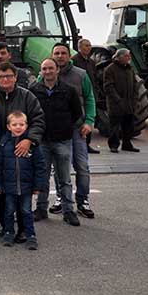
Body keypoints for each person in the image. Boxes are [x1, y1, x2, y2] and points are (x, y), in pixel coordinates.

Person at [0, 61, 46, 241]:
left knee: (22, 193)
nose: (6, 79)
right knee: (3, 192)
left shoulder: (27, 96)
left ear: (15, 77)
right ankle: (6, 227)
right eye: (1, 76)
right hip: (0, 150)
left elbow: (38, 119)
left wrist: (29, 139)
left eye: (9, 76)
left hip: (23, 148)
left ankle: (22, 229)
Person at [29, 58, 83, 227]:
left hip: (63, 140)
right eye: (44, 69)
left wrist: (65, 128)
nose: (48, 72)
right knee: (42, 177)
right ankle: (41, 209)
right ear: (41, 71)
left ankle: (68, 210)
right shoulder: (34, 90)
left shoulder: (69, 90)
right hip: (42, 141)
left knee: (64, 178)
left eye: (51, 68)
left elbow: (76, 113)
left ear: (57, 70)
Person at [48, 42, 97, 219]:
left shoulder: (80, 75)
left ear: (69, 55)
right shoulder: (46, 75)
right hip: (58, 131)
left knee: (82, 166)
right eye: (56, 53)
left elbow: (90, 99)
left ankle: (83, 200)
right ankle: (61, 198)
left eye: (63, 53)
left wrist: (89, 121)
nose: (60, 56)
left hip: (77, 129)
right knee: (60, 168)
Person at [0, 111, 48, 250]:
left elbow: (40, 166)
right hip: (8, 187)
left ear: (26, 126)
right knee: (9, 210)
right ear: (8, 126)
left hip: (27, 187)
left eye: (21, 124)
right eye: (15, 124)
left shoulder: (33, 146)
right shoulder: (3, 144)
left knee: (26, 211)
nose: (18, 127)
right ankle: (8, 233)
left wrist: (38, 185)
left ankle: (30, 236)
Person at [103, 48, 139, 153]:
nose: (129, 58)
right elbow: (108, 87)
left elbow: (135, 84)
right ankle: (113, 145)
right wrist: (118, 100)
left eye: (129, 56)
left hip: (129, 103)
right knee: (114, 126)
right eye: (127, 56)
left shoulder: (130, 69)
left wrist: (135, 98)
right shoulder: (110, 69)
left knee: (128, 125)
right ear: (120, 57)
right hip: (115, 104)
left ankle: (127, 144)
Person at [72, 38, 100, 154]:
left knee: (89, 120)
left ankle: (87, 145)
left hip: (90, 93)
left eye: (89, 46)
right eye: (86, 46)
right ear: (79, 47)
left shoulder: (91, 62)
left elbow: (94, 77)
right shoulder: (75, 60)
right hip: (79, 95)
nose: (89, 48)